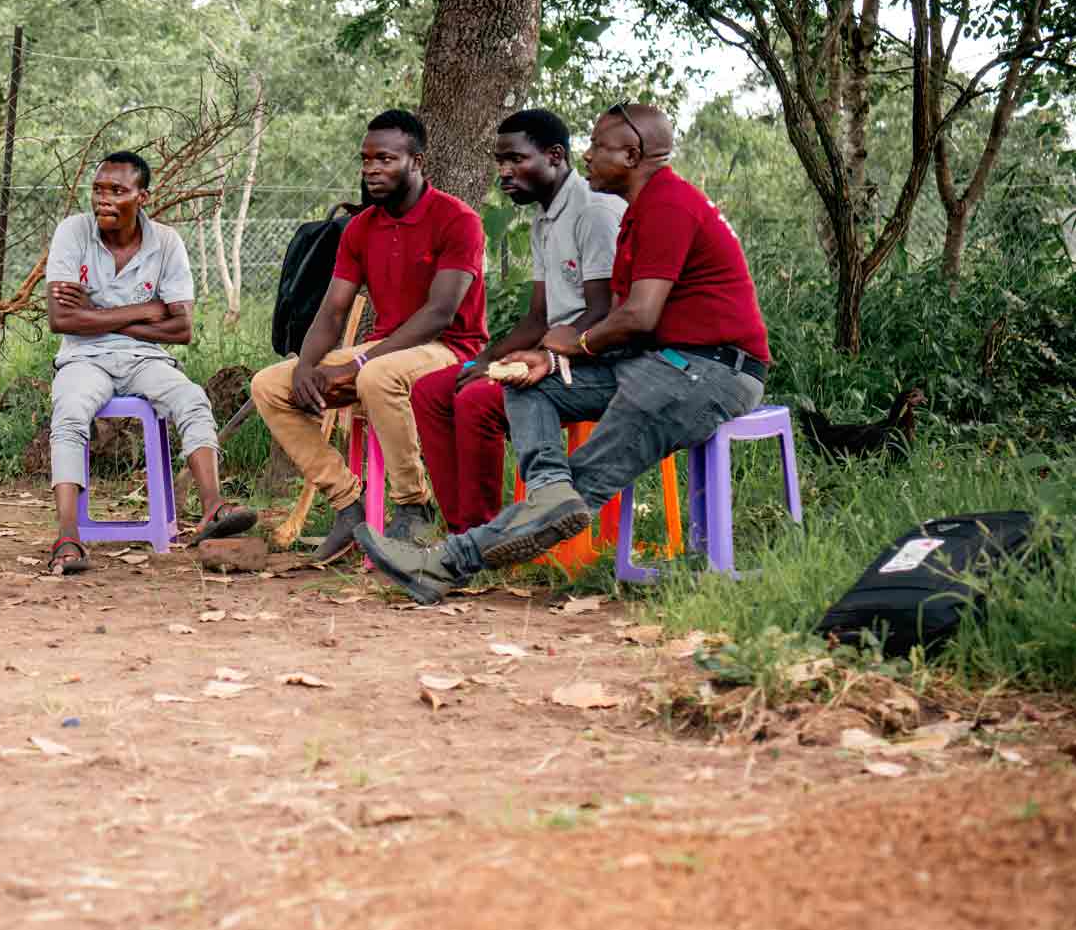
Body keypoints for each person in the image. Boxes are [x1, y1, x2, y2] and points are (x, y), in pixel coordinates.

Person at [356, 102, 770, 604]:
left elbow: (637, 315)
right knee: (525, 384)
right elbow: (624, 323)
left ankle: (448, 562)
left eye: (598, 147)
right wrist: (546, 360)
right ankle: (547, 488)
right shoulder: (642, 209)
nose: (588, 156)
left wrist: (571, 346)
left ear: (632, 153)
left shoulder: (667, 205)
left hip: (706, 373)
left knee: (583, 484)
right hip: (656, 364)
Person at [251, 110, 489, 560]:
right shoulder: (362, 227)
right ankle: (347, 504)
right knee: (269, 385)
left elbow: (440, 313)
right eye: (366, 160)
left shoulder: (457, 219)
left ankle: (413, 506)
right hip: (385, 350)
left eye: (385, 159)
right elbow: (333, 308)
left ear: (416, 162)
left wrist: (358, 362)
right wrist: (306, 366)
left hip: (449, 349)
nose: (371, 170)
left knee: (376, 375)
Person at [409, 109, 625, 534]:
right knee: (435, 390)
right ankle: (460, 533)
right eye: (499, 162)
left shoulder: (593, 212)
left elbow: (603, 311)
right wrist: (481, 361)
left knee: (478, 401)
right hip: (556, 351)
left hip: (598, 357)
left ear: (555, 155)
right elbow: (540, 316)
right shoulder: (544, 221)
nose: (504, 172)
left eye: (516, 160)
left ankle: (485, 535)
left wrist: (540, 356)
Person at [42, 151, 255, 574]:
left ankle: (213, 508)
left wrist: (97, 313)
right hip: (84, 359)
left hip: (147, 359)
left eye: (117, 191)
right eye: (98, 190)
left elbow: (181, 330)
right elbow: (61, 319)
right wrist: (145, 309)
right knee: (68, 412)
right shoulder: (74, 232)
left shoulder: (166, 243)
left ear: (142, 197)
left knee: (192, 398)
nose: (103, 200)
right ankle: (68, 535)